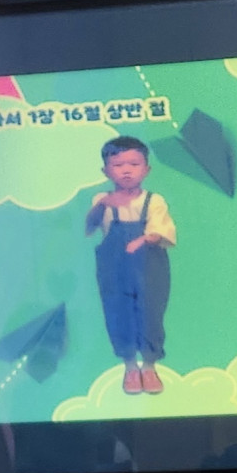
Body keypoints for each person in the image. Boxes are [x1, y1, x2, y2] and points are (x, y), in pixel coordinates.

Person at [85, 135, 176, 394]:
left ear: (147, 169)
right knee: (118, 313)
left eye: (134, 164)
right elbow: (90, 228)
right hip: (114, 270)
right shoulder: (102, 199)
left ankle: (149, 366)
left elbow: (160, 229)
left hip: (150, 268)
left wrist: (143, 239)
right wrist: (103, 205)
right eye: (118, 165)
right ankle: (130, 367)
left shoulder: (154, 201)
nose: (126, 170)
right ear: (106, 170)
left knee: (151, 314)